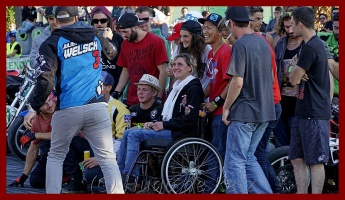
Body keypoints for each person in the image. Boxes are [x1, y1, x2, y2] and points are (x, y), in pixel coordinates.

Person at [24, 6, 123, 194]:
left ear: (54, 20)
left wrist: (35, 108)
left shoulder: (52, 41)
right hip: (98, 104)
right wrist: (106, 38)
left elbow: (45, 79)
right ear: (77, 17)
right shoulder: (94, 34)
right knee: (107, 158)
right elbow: (112, 53)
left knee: (56, 155)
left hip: (69, 107)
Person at [118, 54, 204, 182]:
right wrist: (152, 123)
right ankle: (119, 173)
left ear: (190, 68)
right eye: (174, 64)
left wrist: (164, 125)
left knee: (134, 135)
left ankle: (131, 177)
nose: (175, 67)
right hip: (171, 129)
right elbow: (167, 117)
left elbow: (189, 120)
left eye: (180, 64)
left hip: (181, 134)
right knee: (128, 132)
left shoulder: (193, 88)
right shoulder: (177, 87)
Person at [222, 6, 275, 194]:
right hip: (265, 111)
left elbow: (237, 82)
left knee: (235, 161)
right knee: (249, 158)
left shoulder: (240, 44)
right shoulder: (263, 43)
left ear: (231, 23)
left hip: (245, 112)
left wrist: (226, 107)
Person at [288, 7, 331, 194]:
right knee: (297, 158)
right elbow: (297, 76)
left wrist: (294, 68)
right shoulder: (313, 45)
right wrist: (296, 70)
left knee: (315, 161)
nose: (290, 29)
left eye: (292, 24)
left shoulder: (312, 47)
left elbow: (293, 79)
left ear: (300, 24)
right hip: (304, 111)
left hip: (314, 112)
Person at [114, 13, 169, 107]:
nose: (123, 35)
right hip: (132, 99)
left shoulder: (156, 41)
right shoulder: (125, 44)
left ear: (135, 27)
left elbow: (163, 71)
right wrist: (117, 92)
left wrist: (158, 97)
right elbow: (125, 70)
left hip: (151, 99)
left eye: (125, 32)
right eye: (121, 32)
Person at [9, 94, 56, 189]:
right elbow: (34, 147)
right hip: (53, 149)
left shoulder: (61, 111)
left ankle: (74, 178)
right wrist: (24, 175)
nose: (50, 105)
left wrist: (35, 135)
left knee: (51, 144)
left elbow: (62, 136)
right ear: (37, 108)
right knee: (36, 181)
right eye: (45, 104)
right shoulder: (37, 120)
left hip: (76, 146)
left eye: (50, 100)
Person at [168, 20, 211, 96]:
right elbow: (171, 66)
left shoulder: (207, 50)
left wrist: (202, 96)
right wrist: (169, 70)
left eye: (185, 36)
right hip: (183, 93)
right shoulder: (179, 47)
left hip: (202, 94)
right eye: (181, 36)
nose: (182, 40)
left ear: (195, 37)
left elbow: (212, 79)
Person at [90, 6, 124, 93]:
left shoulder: (117, 38)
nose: (99, 24)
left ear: (108, 21)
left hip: (114, 84)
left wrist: (107, 40)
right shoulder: (88, 38)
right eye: (95, 21)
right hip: (93, 86)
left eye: (103, 21)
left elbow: (112, 55)